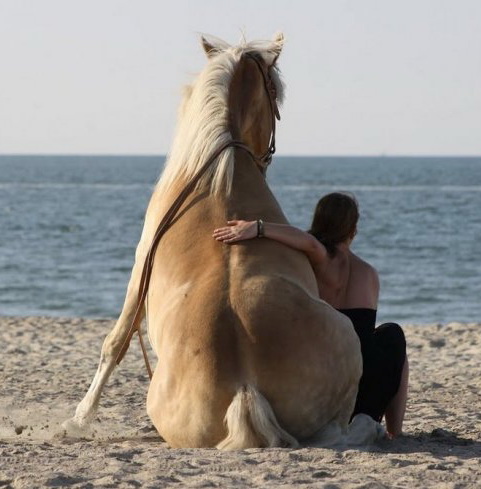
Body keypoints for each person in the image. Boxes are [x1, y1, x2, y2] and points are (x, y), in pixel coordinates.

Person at [212, 192, 409, 438]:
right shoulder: (369, 273)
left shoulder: (321, 258)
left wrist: (258, 228)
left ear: (319, 221)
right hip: (367, 384)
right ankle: (395, 431)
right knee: (393, 336)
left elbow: (308, 242)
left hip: (334, 373)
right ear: (353, 229)